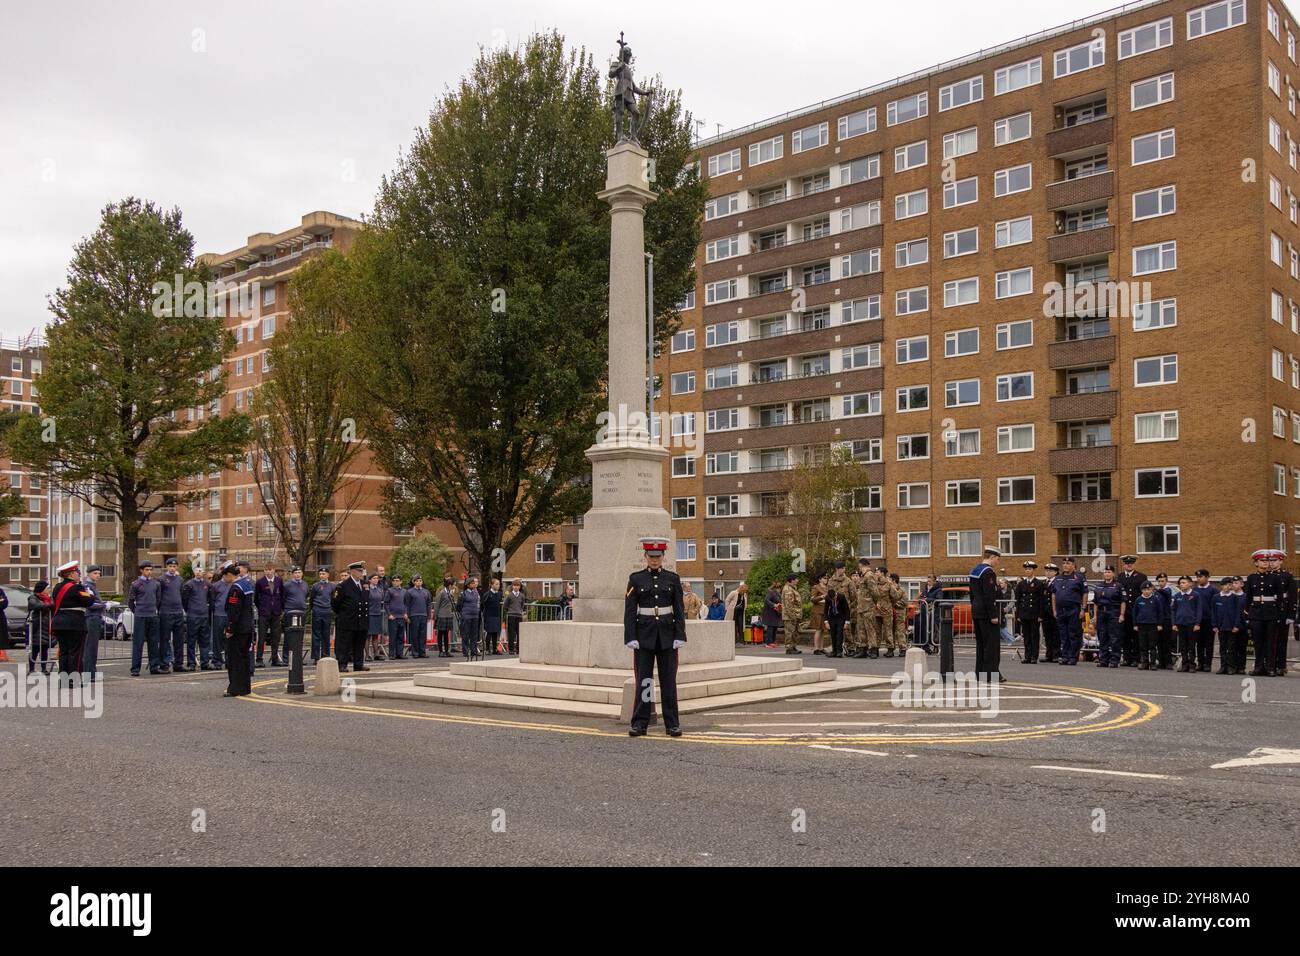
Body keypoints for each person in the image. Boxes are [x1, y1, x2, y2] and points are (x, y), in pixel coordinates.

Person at [625, 538, 686, 738]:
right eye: (651, 557)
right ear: (645, 557)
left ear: (663, 557)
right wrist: (631, 636)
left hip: (667, 636)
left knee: (669, 682)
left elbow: (678, 609)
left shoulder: (672, 579)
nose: (654, 560)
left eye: (657, 557)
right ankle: (640, 723)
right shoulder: (636, 579)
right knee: (645, 681)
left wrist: (680, 635)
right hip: (644, 636)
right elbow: (630, 610)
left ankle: (672, 723)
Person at [1243, 548, 1296, 677]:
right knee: (1258, 642)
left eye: (1268, 560)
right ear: (1256, 563)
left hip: (1271, 613)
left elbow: (1281, 598)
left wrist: (1281, 614)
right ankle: (1259, 667)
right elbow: (1248, 597)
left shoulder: (1275, 578)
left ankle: (1271, 667)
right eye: (1263, 561)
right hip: (1256, 613)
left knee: (1271, 642)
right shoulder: (1251, 578)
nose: (1267, 563)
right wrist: (1247, 614)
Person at [49, 561, 96, 675]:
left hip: (60, 623)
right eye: (77, 572)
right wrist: (90, 593)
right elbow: (89, 601)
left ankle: (64, 679)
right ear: (71, 574)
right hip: (74, 623)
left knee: (63, 652)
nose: (79, 574)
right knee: (75, 653)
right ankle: (73, 679)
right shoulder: (76, 588)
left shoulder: (57, 587)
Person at [220, 561, 255, 697]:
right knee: (245, 658)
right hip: (247, 627)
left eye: (225, 577)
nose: (225, 580)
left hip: (238, 628)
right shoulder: (247, 584)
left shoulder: (236, 588)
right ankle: (245, 687)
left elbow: (234, 611)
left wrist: (229, 629)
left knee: (235, 659)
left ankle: (235, 687)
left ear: (229, 575)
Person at [969, 547, 1003, 682]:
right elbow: (989, 595)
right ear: (992, 557)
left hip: (977, 611)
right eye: (998, 559)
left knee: (981, 645)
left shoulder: (974, 571)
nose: (998, 563)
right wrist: (993, 615)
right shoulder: (988, 572)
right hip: (987, 612)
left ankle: (980, 673)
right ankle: (990, 674)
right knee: (991, 646)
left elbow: (972, 594)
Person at [331, 561, 370, 673]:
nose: (361, 573)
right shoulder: (343, 585)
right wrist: (344, 614)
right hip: (347, 620)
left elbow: (366, 601)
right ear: (352, 572)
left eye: (362, 571)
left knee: (359, 643)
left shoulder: (364, 584)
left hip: (361, 619)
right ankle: (342, 664)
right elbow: (335, 603)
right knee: (344, 644)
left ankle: (358, 664)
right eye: (359, 571)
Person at [1049, 556, 1087, 665]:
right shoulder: (1058, 578)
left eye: (1068, 563)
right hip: (1061, 610)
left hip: (1073, 609)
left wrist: (1083, 609)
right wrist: (1054, 610)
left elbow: (1084, 593)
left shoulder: (1079, 577)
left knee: (1073, 634)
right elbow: (1053, 595)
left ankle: (1073, 657)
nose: (1066, 565)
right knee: (1063, 634)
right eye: (1064, 563)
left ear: (1073, 565)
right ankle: (1065, 656)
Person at [127, 561, 162, 676]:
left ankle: (154, 667)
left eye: (150, 569)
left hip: (152, 616)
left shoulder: (156, 584)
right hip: (141, 616)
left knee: (153, 643)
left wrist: (154, 610)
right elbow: (131, 601)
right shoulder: (136, 584)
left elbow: (158, 600)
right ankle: (135, 669)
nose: (149, 572)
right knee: (138, 643)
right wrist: (137, 612)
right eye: (147, 569)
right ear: (141, 570)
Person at [1090, 566, 1126, 669]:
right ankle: (1103, 660)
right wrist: (1095, 616)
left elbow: (1123, 601)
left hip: (1113, 612)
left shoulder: (1118, 586)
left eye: (1109, 572)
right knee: (1102, 637)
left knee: (1114, 637)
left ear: (1113, 574)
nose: (1107, 574)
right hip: (1102, 613)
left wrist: (1122, 614)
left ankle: (1114, 660)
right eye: (1105, 572)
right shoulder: (1099, 586)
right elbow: (1096, 603)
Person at [182, 565, 216, 671]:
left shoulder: (208, 585)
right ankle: (191, 663)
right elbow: (185, 600)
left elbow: (211, 599)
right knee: (191, 641)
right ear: (194, 572)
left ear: (203, 573)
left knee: (204, 641)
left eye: (200, 571)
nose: (198, 572)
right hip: (193, 616)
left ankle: (204, 662)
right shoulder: (189, 584)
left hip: (204, 616)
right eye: (196, 571)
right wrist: (190, 610)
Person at [1115, 555, 1147, 667]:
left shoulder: (1141, 577)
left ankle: (1136, 658)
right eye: (1127, 563)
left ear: (1134, 564)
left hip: (1136, 610)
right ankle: (1127, 658)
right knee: (1125, 636)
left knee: (1136, 636)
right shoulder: (1120, 577)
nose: (1129, 565)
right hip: (1124, 611)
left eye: (1131, 563)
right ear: (1124, 565)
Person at [1213, 576, 1246, 675]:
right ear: (1221, 586)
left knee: (1231, 647)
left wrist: (1236, 625)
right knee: (1222, 647)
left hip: (1231, 627)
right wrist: (1215, 625)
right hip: (1221, 626)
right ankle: (1223, 666)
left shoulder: (1234, 598)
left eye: (1230, 585)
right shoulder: (1216, 597)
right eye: (1226, 585)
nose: (1228, 587)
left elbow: (1238, 613)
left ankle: (1231, 667)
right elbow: (1213, 612)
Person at [158, 556, 186, 671]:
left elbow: (181, 594)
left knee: (179, 640)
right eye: (170, 566)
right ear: (166, 567)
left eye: (174, 566)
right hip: (166, 612)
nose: (172, 568)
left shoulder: (180, 579)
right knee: (164, 639)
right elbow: (159, 596)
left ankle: (178, 664)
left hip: (178, 612)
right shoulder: (162, 579)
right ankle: (164, 663)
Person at [1013, 562, 1045, 663]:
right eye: (1026, 569)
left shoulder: (1039, 583)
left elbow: (1041, 600)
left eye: (1030, 569)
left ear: (1033, 570)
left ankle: (1034, 657)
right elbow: (1018, 600)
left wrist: (1040, 615)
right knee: (1026, 636)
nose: (1028, 571)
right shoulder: (1021, 584)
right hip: (1024, 613)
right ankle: (1027, 656)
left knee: (1034, 636)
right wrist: (1018, 614)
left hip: (1034, 613)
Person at [254, 565, 285, 667]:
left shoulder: (279, 580)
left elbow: (282, 595)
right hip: (264, 612)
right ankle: (259, 659)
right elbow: (256, 598)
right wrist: (262, 607)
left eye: (270, 570)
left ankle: (275, 659)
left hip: (276, 612)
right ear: (264, 571)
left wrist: (280, 608)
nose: (268, 572)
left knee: (275, 637)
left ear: (273, 570)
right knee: (262, 636)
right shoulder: (260, 582)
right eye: (266, 570)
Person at [1170, 576, 1200, 672]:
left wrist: (1197, 623)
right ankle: (1184, 664)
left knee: (1191, 645)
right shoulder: (1177, 596)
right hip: (1180, 623)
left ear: (1190, 584)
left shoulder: (1195, 595)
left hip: (1191, 623)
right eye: (1181, 583)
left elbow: (1199, 610)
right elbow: (1173, 610)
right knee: (1183, 645)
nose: (1182, 584)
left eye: (1184, 582)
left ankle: (1192, 665)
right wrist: (1174, 623)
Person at [82, 565, 106, 681]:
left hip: (95, 617)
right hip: (91, 617)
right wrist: (105, 605)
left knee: (92, 646)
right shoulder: (87, 586)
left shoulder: (92, 586)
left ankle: (91, 672)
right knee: (90, 646)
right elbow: (90, 604)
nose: (98, 575)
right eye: (95, 573)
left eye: (99, 573)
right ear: (89, 574)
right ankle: (89, 673)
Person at [1132, 581, 1162, 671]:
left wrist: (1159, 624)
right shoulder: (1138, 600)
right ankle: (1144, 662)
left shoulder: (1155, 599)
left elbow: (1160, 612)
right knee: (1143, 645)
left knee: (1152, 645)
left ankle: (1152, 663)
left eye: (1148, 589)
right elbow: (1134, 613)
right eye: (1145, 589)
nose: (1147, 591)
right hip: (1141, 625)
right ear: (1141, 590)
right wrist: (1135, 624)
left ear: (1152, 590)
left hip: (1152, 625)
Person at [853, 558, 881, 659]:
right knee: (861, 629)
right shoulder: (863, 576)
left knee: (870, 628)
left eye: (859, 566)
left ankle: (873, 649)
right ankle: (863, 649)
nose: (859, 568)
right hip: (861, 607)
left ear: (862, 565)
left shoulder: (869, 575)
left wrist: (874, 602)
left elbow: (875, 592)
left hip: (868, 607)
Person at [1191, 569, 1217, 672]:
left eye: (1201, 577)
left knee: (1209, 643)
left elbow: (1215, 606)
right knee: (1199, 643)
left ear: (1207, 577)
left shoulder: (1213, 590)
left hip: (1208, 620)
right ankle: (1200, 663)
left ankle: (1208, 664)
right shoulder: (1195, 590)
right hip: (1198, 620)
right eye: (1197, 577)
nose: (1198, 579)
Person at [309, 568, 335, 663]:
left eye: (323, 574)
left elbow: (333, 598)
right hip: (317, 611)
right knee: (316, 635)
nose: (322, 575)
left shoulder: (332, 586)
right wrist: (314, 609)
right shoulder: (316, 586)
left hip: (327, 611)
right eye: (320, 574)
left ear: (328, 575)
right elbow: (311, 599)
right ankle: (316, 657)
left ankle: (325, 655)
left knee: (326, 634)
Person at [823, 576, 850, 658]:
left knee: (839, 634)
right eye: (832, 599)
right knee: (833, 634)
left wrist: (847, 622)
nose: (833, 599)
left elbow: (847, 610)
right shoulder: (828, 598)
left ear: (836, 594)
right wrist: (826, 621)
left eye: (834, 597)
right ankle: (834, 651)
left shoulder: (841, 597)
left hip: (840, 617)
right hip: (832, 617)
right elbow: (825, 610)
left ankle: (839, 651)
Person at [210, 565, 231, 669]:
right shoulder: (216, 586)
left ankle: (229, 660)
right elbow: (212, 601)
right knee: (217, 638)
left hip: (229, 615)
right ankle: (217, 660)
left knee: (229, 639)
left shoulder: (233, 585)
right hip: (219, 614)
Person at [406, 574, 432, 658]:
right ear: (413, 582)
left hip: (423, 615)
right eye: (417, 581)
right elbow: (407, 605)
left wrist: (428, 615)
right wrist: (408, 616)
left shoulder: (426, 592)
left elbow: (428, 604)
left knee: (423, 634)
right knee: (414, 634)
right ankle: (415, 652)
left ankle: (422, 652)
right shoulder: (410, 592)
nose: (419, 582)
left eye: (420, 581)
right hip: (414, 615)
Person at [1040, 563, 1061, 663]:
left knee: (1055, 634)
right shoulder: (1044, 583)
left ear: (1055, 572)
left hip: (1054, 611)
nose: (1048, 573)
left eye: (1050, 571)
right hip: (1045, 612)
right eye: (1047, 571)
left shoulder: (1058, 582)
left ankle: (1056, 654)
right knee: (1047, 634)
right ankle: (1049, 654)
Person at [457, 576, 482, 659]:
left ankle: (474, 650)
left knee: (474, 634)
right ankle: (465, 651)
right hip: (466, 616)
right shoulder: (463, 593)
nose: (474, 584)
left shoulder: (476, 593)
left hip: (475, 616)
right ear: (468, 585)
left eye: (474, 583)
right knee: (465, 634)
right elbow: (459, 606)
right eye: (472, 583)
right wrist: (463, 613)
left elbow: (478, 603)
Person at [386, 575, 409, 658]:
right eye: (394, 580)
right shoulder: (390, 590)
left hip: (402, 617)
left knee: (401, 636)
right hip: (393, 617)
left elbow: (406, 603)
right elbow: (386, 603)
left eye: (398, 580)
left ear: (401, 581)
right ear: (392, 582)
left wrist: (406, 613)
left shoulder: (404, 591)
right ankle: (392, 654)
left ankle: (400, 653)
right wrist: (389, 614)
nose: (396, 582)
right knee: (393, 636)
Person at [365, 573, 386, 661]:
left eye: (377, 578)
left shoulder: (380, 590)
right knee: (367, 636)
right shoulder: (367, 589)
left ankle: (376, 653)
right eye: (374, 578)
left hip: (377, 614)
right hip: (369, 614)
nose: (376, 580)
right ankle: (367, 655)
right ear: (370, 580)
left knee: (375, 636)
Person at [434, 576, 457, 657]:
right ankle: (441, 651)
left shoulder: (450, 593)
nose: (454, 586)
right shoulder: (442, 593)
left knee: (446, 634)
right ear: (450, 585)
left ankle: (447, 651)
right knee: (440, 634)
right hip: (441, 615)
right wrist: (435, 616)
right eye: (453, 585)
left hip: (448, 615)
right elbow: (437, 605)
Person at [781, 573, 802, 654]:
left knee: (794, 632)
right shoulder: (788, 590)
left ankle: (793, 647)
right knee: (790, 632)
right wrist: (792, 616)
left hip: (795, 615)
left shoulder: (793, 588)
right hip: (790, 616)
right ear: (792, 580)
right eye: (796, 579)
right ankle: (789, 648)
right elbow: (788, 605)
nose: (798, 580)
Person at [503, 578, 526, 654]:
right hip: (511, 615)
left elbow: (522, 605)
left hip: (519, 615)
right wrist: (509, 612)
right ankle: (511, 649)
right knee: (511, 633)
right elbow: (505, 606)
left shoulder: (522, 596)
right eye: (514, 586)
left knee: (519, 633)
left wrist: (520, 611)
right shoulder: (509, 595)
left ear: (520, 587)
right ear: (512, 586)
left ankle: (519, 649)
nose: (516, 587)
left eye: (518, 586)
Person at [481, 577, 503, 655]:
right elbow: (482, 604)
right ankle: (487, 649)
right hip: (489, 616)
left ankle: (494, 649)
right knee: (489, 632)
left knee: (495, 633)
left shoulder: (499, 594)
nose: (498, 586)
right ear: (492, 585)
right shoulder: (487, 594)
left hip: (496, 615)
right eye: (496, 584)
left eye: (499, 584)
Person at [809, 574, 828, 654]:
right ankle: (816, 648)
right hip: (817, 611)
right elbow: (812, 599)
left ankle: (821, 647)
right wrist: (822, 597)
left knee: (823, 630)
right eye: (824, 578)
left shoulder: (827, 588)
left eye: (827, 578)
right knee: (818, 629)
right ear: (820, 579)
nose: (826, 579)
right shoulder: (816, 587)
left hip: (825, 611)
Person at [761, 581, 782, 647]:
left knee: (775, 628)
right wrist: (774, 605)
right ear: (777, 588)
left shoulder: (777, 594)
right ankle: (768, 642)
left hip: (775, 613)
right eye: (779, 588)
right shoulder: (771, 592)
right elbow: (767, 600)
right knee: (770, 628)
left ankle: (773, 641)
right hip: (770, 613)